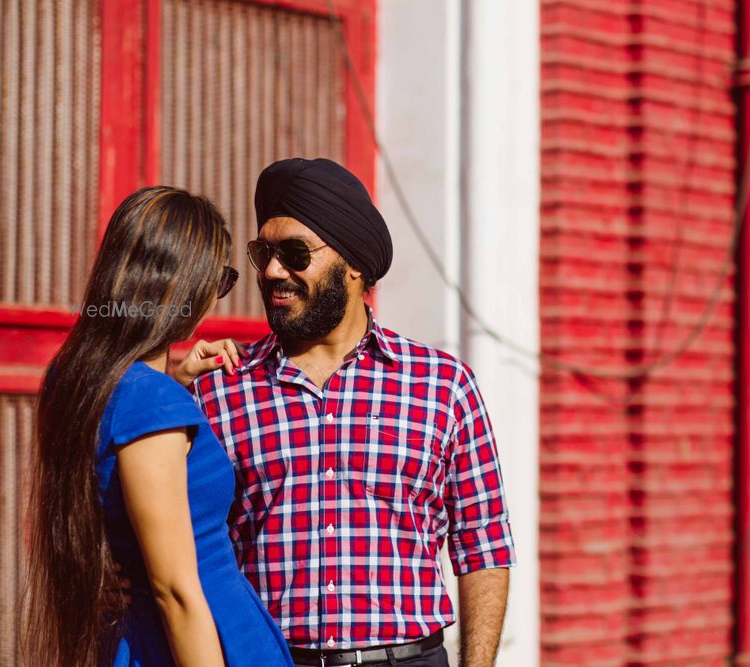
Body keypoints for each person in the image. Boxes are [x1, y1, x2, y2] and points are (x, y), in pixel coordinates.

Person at [188, 157, 516, 667]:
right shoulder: (221, 390)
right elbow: (185, 552)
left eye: (295, 253)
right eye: (264, 252)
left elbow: (485, 546)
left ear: (354, 263)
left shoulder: (443, 386)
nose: (274, 271)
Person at [25, 186, 294, 667]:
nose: (216, 296)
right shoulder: (148, 400)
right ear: (182, 282)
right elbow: (174, 589)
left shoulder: (90, 381)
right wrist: (165, 396)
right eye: (220, 279)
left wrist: (174, 379)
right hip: (202, 639)